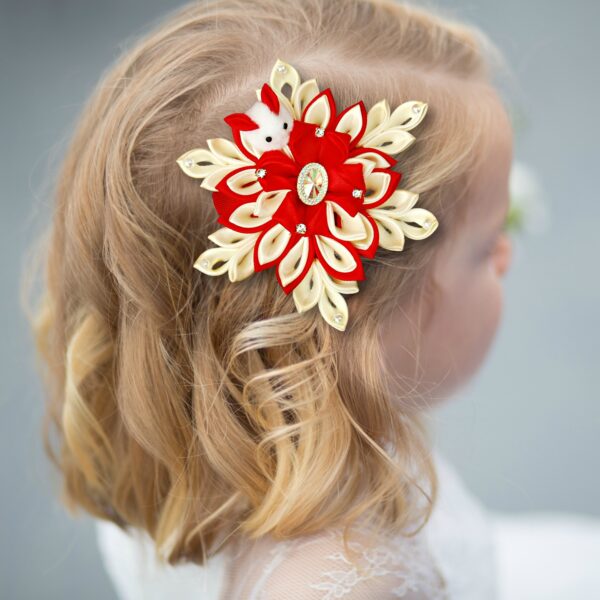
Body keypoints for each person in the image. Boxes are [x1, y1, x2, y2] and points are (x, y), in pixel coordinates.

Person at [27, 0, 600, 598]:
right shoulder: (350, 583)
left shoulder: (175, 445)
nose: (509, 254)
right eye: (485, 247)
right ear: (349, 333)